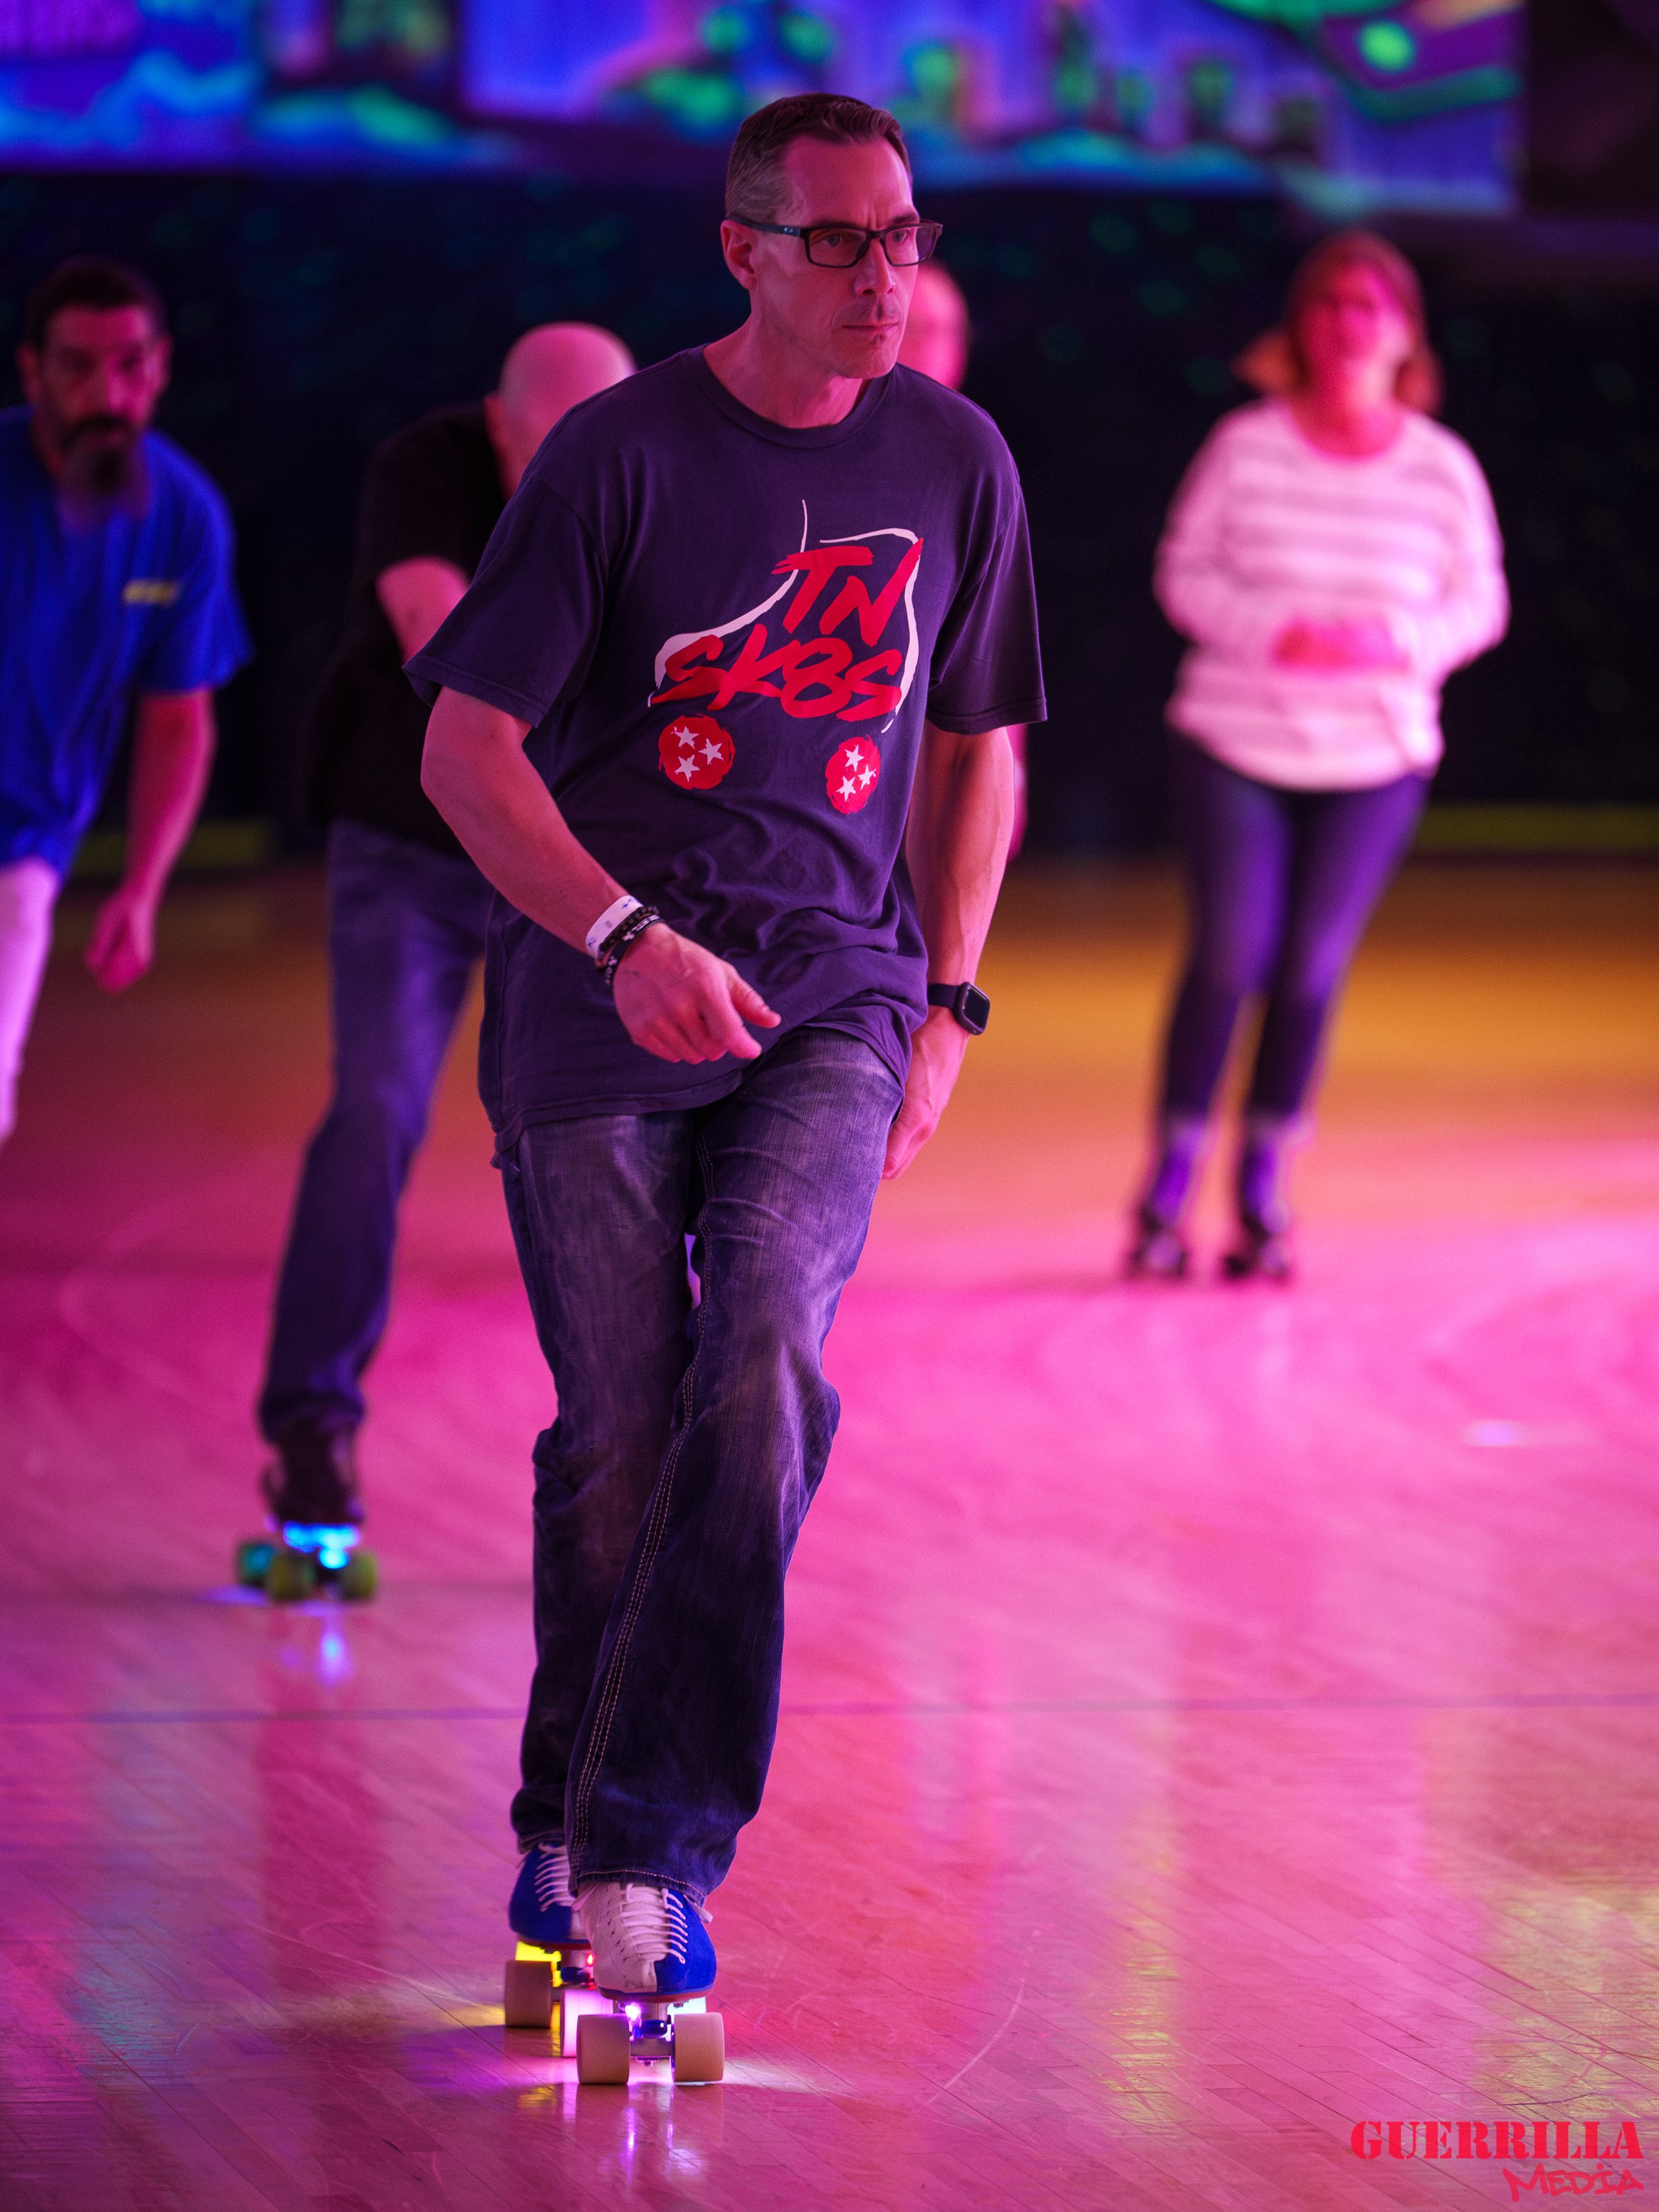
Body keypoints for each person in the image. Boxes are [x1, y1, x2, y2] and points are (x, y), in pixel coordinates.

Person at [412, 92, 1043, 2002]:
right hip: (600, 1006)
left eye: (904, 236)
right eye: (839, 240)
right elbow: (465, 751)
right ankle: (565, 1810)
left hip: (837, 993)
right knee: (618, 1435)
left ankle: (642, 1852)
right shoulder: (616, 456)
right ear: (743, 247)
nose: (882, 278)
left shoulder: (956, 455)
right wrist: (619, 934)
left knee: (762, 1353)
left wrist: (943, 1002)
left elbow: (976, 744)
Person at [252, 325, 635, 1542]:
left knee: (613, 1135)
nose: (573, 467)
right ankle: (313, 1427)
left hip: (563, 864)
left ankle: (642, 1447)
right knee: (376, 1108)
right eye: (548, 446)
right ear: (499, 424)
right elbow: (439, 635)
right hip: (411, 847)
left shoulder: (645, 472)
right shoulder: (427, 468)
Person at [1129, 230, 1507, 1282]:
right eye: (1330, 305)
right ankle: (1170, 1180)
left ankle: (1262, 1185)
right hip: (1238, 741)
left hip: (1374, 755)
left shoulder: (1441, 468)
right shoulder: (1247, 446)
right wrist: (1273, 631)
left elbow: (1481, 600)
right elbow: (1182, 571)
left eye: (1370, 308)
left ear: (1405, 335)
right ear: (1302, 326)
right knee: (1231, 952)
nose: (1348, 326)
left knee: (1310, 969)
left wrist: (1405, 644)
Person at [0, 256, 250, 1147]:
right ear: (33, 371)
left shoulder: (183, 516)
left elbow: (178, 718)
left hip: (25, 844)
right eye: (78, 366)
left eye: (131, 365)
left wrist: (141, 890)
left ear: (163, 365)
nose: (109, 391)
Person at [897, 259, 1029, 854]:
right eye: (915, 328)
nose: (934, 348)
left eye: (947, 331)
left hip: (938, 762)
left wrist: (1009, 775)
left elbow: (996, 648)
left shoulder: (978, 470)